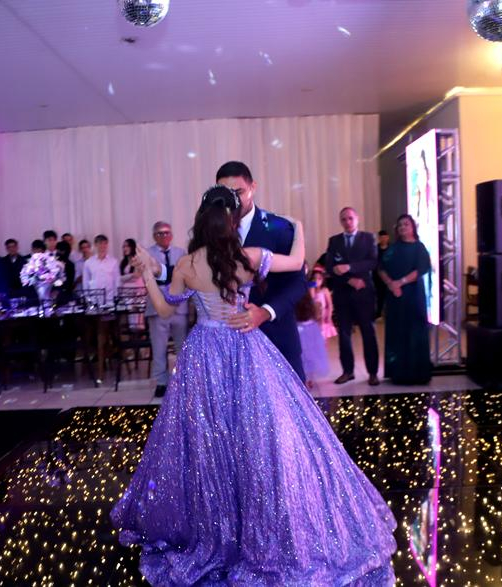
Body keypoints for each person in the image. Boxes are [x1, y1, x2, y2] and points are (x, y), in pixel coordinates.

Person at [112, 185, 396, 585]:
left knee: (209, 439)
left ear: (200, 220)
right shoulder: (250, 257)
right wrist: (297, 227)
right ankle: (260, 516)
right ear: (232, 221)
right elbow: (297, 261)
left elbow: (164, 309)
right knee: (258, 435)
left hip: (204, 353)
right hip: (245, 345)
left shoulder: (188, 264)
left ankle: (216, 522)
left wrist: (147, 272)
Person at [215, 161, 307, 381]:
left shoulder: (279, 227)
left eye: (239, 192)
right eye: (226, 195)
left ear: (253, 187)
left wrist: (265, 312)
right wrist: (159, 271)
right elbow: (195, 268)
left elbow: (298, 283)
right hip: (228, 345)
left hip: (275, 336)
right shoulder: (212, 231)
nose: (233, 201)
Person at [325, 207, 380, 386]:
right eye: (344, 219)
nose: (347, 222)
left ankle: (373, 373)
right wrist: (349, 280)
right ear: (340, 222)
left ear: (357, 219)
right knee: (344, 333)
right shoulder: (334, 241)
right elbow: (330, 267)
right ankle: (347, 371)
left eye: (350, 218)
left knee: (368, 332)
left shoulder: (368, 238)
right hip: (343, 293)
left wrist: (349, 267)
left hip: (364, 293)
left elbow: (373, 262)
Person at [378, 214, 433, 384]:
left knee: (415, 332)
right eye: (400, 224)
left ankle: (417, 373)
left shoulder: (419, 247)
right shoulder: (392, 249)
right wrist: (390, 284)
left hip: (413, 296)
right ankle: (398, 373)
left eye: (406, 224)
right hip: (395, 297)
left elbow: (421, 269)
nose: (403, 227)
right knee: (397, 332)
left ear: (413, 227)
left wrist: (399, 283)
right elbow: (381, 268)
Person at [144, 222, 187, 398]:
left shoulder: (181, 253)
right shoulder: (148, 254)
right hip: (157, 307)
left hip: (179, 307)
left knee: (182, 347)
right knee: (159, 347)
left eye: (167, 232)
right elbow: (148, 278)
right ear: (154, 236)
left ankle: (182, 380)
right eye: (160, 233)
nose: (164, 236)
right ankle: (161, 382)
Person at [295, 290, 330, 389]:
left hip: (302, 333)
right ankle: (308, 379)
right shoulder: (314, 306)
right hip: (309, 332)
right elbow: (318, 320)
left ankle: (306, 379)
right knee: (310, 358)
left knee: (304, 358)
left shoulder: (312, 306)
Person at [82, 234, 120, 305]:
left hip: (110, 298)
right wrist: (88, 299)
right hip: (95, 299)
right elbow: (86, 282)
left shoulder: (113, 261)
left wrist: (116, 296)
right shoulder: (88, 262)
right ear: (95, 245)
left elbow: (116, 280)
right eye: (100, 243)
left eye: (105, 243)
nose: (102, 246)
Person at [309, 265, 336, 339]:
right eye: (314, 278)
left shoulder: (325, 290)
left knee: (323, 336)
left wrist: (329, 316)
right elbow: (311, 300)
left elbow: (330, 304)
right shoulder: (311, 290)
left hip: (323, 316)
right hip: (314, 315)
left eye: (319, 279)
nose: (316, 281)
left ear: (323, 280)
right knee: (314, 336)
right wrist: (312, 288)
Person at [374, 230, 390, 319]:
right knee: (379, 296)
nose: (383, 239)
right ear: (379, 238)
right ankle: (379, 313)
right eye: (381, 237)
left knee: (389, 296)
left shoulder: (392, 249)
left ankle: (389, 313)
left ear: (388, 238)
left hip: (390, 276)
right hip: (377, 277)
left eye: (385, 237)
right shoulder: (375, 249)